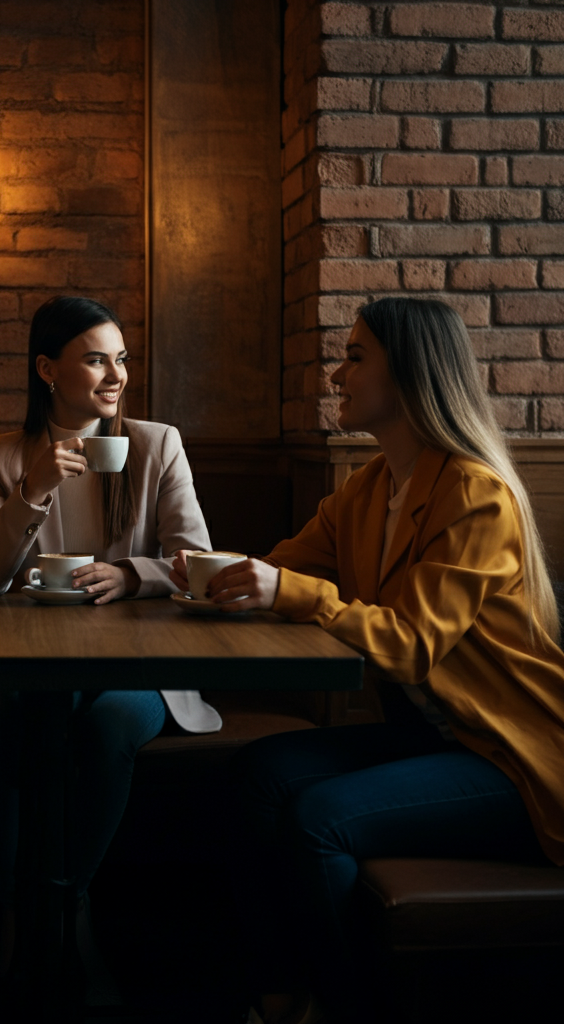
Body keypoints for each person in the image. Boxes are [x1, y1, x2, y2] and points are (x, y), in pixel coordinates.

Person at [170, 297, 564, 1024]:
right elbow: (281, 570)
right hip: (433, 737)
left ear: (409, 374)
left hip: (514, 758)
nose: (336, 372)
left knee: (318, 818)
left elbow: (410, 645)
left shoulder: (477, 497)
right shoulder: (367, 488)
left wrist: (295, 594)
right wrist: (201, 580)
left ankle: (350, 1009)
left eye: (355, 356)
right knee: (258, 775)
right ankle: (280, 997)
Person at [0, 295, 221, 993]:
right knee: (18, 714)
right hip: (29, 660)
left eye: (122, 359)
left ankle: (66, 897)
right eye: (96, 359)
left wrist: (131, 574)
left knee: (110, 722)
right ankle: (14, 911)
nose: (116, 375)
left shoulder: (156, 442)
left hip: (138, 666)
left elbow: (194, 561)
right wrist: (34, 488)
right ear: (48, 369)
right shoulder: (2, 456)